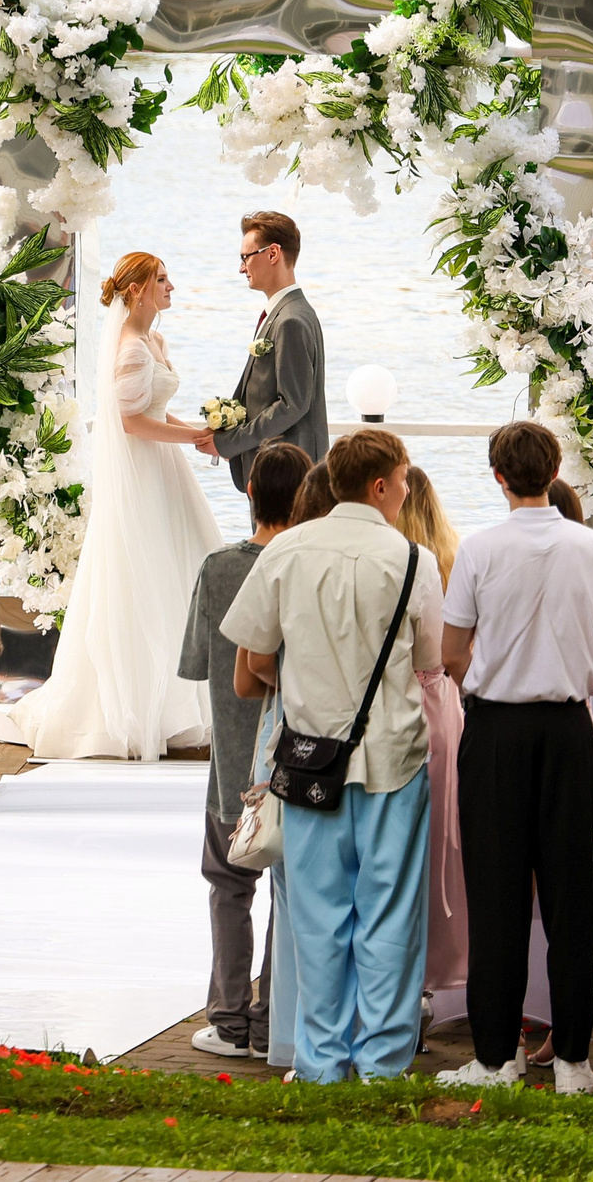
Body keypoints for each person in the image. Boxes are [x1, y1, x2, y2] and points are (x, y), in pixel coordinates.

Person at [225, 428, 440, 1085]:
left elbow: (254, 657)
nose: (405, 493)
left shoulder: (285, 552)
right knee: (391, 913)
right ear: (379, 486)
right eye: (402, 482)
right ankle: (381, 1060)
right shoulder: (412, 561)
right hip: (393, 759)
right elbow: (431, 662)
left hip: (308, 760)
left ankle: (321, 1061)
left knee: (317, 919)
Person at [434, 421, 593, 1093]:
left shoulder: (479, 551)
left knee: (497, 895)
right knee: (570, 895)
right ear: (556, 468)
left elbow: (453, 654)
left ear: (498, 476)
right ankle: (572, 1060)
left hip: (499, 732)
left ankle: (494, 1057)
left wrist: (496, 678)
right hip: (570, 731)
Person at [0, 251, 216, 759]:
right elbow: (131, 422)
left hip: (163, 469)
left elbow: (155, 408)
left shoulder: (153, 340)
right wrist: (190, 438)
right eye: (161, 279)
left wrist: (198, 433)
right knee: (145, 577)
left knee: (175, 572)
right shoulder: (131, 349)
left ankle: (177, 704)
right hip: (144, 472)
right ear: (136, 291)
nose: (171, 286)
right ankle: (135, 707)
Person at [180, 440, 311, 1060]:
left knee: (228, 887)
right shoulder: (312, 566)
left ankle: (230, 1019)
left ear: (251, 493)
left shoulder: (219, 567)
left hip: (234, 756)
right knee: (290, 888)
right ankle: (273, 1018)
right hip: (302, 757)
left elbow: (197, 664)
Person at [392, 465, 470, 1017]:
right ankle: (431, 979)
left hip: (396, 700)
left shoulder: (390, 558)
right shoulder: (451, 557)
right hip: (441, 704)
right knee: (443, 840)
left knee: (395, 844)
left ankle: (400, 983)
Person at [208, 212, 329, 489]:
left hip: (286, 477)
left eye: (246, 257)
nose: (241, 268)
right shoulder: (286, 313)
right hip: (280, 474)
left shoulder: (290, 321)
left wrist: (231, 443)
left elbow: (291, 405)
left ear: (273, 253)